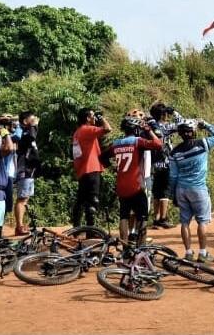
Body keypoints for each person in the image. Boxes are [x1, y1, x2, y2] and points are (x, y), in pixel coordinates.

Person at [168, 118, 214, 263]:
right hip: (199, 189)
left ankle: (188, 253)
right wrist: (205, 124)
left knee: (185, 222)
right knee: (202, 222)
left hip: (181, 189)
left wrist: (172, 194)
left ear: (180, 134)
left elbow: (173, 176)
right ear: (193, 132)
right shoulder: (202, 144)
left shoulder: (175, 152)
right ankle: (203, 253)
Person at [112, 115, 163, 245]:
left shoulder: (116, 143)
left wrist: (115, 167)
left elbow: (102, 157)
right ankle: (141, 246)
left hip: (121, 186)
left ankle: (125, 247)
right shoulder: (137, 141)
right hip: (135, 185)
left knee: (124, 216)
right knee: (142, 216)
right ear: (136, 129)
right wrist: (148, 130)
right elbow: (158, 144)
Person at [71, 108, 112, 227]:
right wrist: (101, 118)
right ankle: (91, 229)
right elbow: (108, 129)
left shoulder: (77, 132)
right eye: (93, 116)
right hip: (92, 168)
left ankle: (76, 227)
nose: (94, 118)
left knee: (81, 199)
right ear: (88, 118)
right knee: (93, 200)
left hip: (82, 169)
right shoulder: (87, 130)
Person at [148, 102, 183, 229]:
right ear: (163, 115)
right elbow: (181, 123)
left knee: (156, 192)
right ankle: (163, 218)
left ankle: (156, 219)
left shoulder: (150, 126)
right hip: (166, 162)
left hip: (153, 163)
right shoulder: (166, 127)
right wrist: (174, 112)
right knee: (165, 192)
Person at [14, 111, 40, 235]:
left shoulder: (28, 131)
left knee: (26, 198)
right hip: (24, 168)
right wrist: (34, 126)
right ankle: (19, 226)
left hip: (30, 169)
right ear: (25, 121)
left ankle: (21, 225)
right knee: (22, 198)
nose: (35, 120)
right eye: (32, 118)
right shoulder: (23, 133)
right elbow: (31, 138)